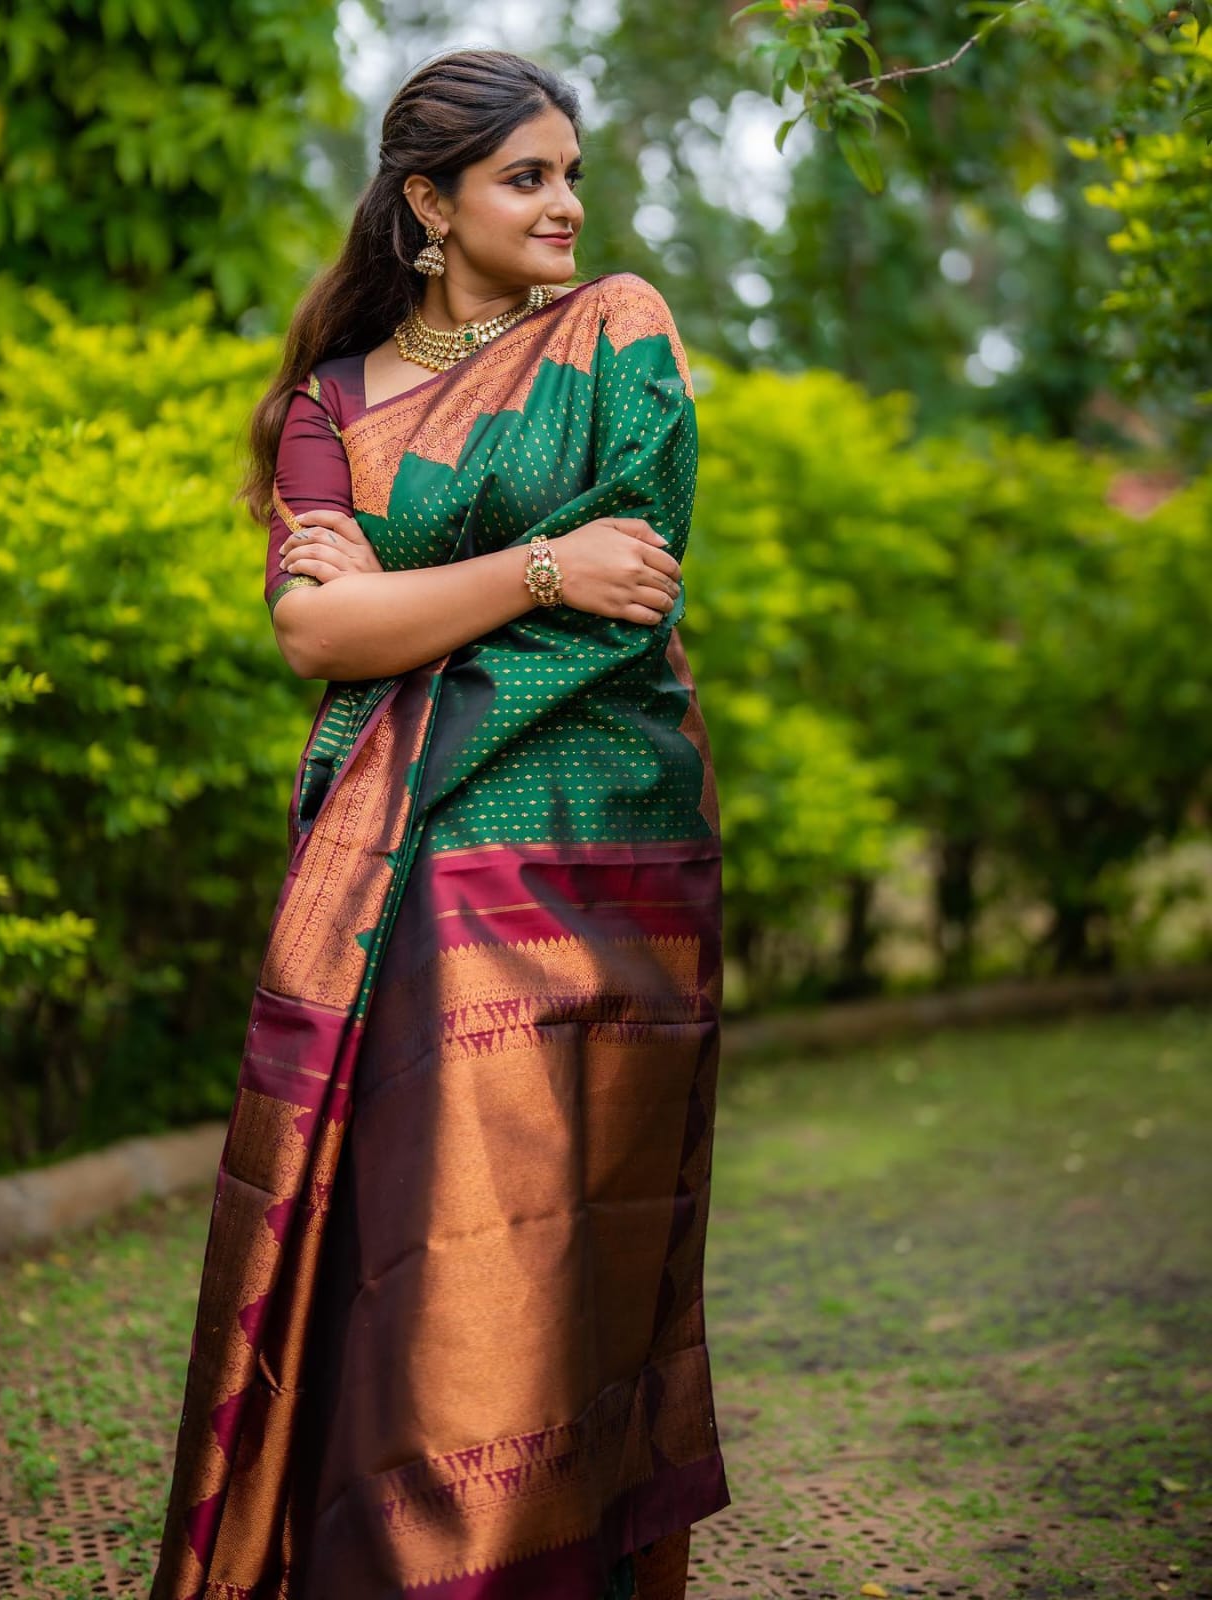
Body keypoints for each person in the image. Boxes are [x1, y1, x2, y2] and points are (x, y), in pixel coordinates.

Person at [150, 46, 729, 1600]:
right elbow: (321, 638)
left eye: (570, 172)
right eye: (524, 176)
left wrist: (417, 606)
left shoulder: (615, 333)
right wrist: (540, 569)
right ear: (430, 202)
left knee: (567, 1268)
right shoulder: (327, 405)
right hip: (402, 876)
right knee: (414, 1263)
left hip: (601, 863)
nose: (566, 203)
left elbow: (640, 580)